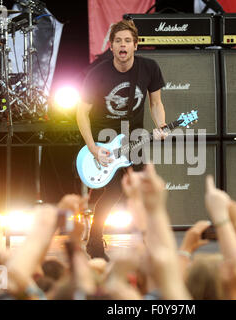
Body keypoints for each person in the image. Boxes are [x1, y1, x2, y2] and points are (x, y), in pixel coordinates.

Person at [76, 19, 168, 261]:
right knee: (114, 192)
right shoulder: (97, 73)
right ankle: (94, 242)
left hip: (134, 138)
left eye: (128, 40)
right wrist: (93, 147)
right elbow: (80, 113)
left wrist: (161, 126)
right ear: (111, 46)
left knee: (147, 188)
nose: (123, 45)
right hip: (104, 140)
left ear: (136, 45)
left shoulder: (149, 68)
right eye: (118, 41)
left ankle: (153, 245)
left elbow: (156, 103)